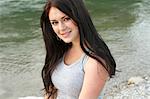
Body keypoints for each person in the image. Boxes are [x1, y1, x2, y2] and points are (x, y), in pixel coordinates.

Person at [40, 0, 116, 99]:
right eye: (54, 22)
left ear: (79, 17)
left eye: (66, 19)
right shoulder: (61, 51)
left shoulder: (95, 62)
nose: (61, 28)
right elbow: (51, 92)